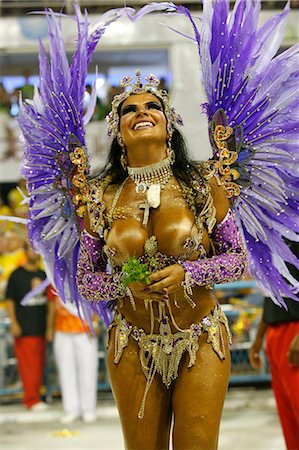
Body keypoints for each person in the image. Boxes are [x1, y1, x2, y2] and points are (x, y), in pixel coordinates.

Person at [75, 72, 248, 449]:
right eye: (129, 110)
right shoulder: (99, 195)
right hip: (132, 344)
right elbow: (86, 279)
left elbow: (236, 259)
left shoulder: (203, 182)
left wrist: (189, 271)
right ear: (117, 129)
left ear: (168, 123)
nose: (142, 112)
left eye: (153, 106)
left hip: (200, 338)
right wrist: (125, 283)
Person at [249, 243, 299, 450]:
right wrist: (259, 337)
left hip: (294, 332)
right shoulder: (272, 230)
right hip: (275, 331)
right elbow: (272, 294)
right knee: (289, 419)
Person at [6, 241, 49, 410]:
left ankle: (35, 397)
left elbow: (50, 303)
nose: (34, 253)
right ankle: (31, 399)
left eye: (37, 250)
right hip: (24, 328)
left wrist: (49, 327)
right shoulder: (16, 275)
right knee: (27, 366)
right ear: (24, 251)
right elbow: (10, 300)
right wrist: (14, 323)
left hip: (40, 326)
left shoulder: (44, 275)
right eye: (31, 249)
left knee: (38, 365)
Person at [46, 285, 99, 424]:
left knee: (88, 370)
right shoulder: (56, 273)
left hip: (85, 328)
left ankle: (88, 409)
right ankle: (71, 409)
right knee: (66, 371)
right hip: (62, 328)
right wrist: (49, 327)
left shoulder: (86, 269)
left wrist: (96, 322)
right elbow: (52, 302)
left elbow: (97, 297)